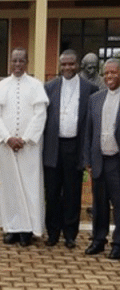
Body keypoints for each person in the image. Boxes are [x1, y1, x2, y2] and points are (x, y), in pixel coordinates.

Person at [0, 47, 48, 246]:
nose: (18, 65)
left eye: (21, 61)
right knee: (9, 188)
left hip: (28, 148)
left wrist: (25, 138)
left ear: (27, 62)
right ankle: (12, 228)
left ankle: (28, 230)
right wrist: (7, 138)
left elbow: (40, 114)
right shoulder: (1, 86)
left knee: (29, 188)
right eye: (14, 61)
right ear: (10, 62)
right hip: (5, 147)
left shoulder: (36, 85)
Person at [42, 50, 98, 249]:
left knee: (73, 193)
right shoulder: (49, 87)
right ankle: (53, 232)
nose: (67, 68)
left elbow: (91, 124)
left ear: (78, 65)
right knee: (53, 192)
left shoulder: (89, 89)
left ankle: (70, 234)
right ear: (59, 66)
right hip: (53, 146)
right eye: (64, 64)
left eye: (71, 64)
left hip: (75, 146)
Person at [83, 58, 120, 259]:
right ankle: (98, 241)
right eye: (106, 73)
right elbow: (89, 131)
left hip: (116, 160)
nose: (109, 77)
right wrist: (87, 158)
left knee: (119, 204)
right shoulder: (95, 99)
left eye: (113, 72)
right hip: (98, 160)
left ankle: (118, 244)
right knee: (99, 205)